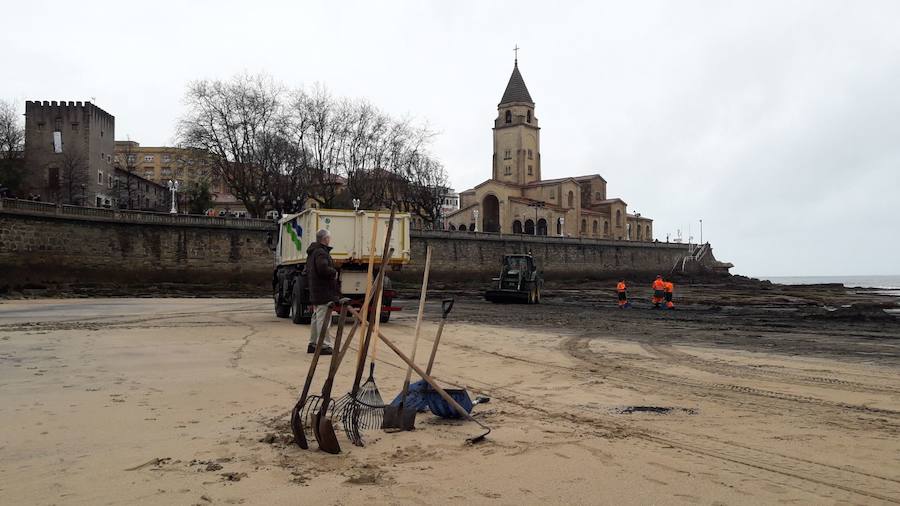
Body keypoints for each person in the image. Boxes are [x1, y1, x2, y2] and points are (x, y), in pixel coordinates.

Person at [306, 228, 339, 355]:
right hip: (323, 290)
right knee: (323, 317)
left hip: (316, 289)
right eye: (329, 238)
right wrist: (334, 272)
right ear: (325, 239)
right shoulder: (321, 253)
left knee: (316, 316)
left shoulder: (313, 252)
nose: (330, 240)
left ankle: (313, 343)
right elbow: (323, 268)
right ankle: (324, 345)